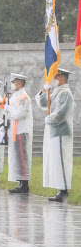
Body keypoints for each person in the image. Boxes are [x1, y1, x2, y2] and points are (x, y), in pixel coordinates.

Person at [35, 67, 75, 202]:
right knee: (56, 162)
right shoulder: (57, 92)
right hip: (55, 132)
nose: (53, 80)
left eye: (55, 77)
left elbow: (60, 114)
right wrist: (44, 90)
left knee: (61, 161)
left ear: (62, 78)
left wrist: (47, 120)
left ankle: (64, 191)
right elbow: (43, 104)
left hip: (61, 131)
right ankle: (60, 189)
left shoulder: (65, 93)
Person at [4, 73, 32, 195]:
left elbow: (20, 114)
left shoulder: (23, 97)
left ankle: (24, 184)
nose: (12, 84)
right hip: (16, 130)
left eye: (13, 82)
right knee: (17, 156)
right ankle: (21, 181)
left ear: (19, 83)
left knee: (22, 156)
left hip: (21, 130)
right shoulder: (16, 96)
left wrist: (9, 110)